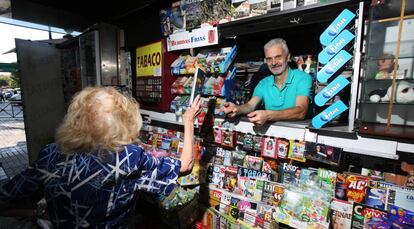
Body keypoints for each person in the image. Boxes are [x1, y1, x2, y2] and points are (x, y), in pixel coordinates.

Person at [0, 87, 202, 228]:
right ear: (125, 121)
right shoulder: (128, 156)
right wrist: (188, 121)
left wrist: (38, 212)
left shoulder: (50, 153)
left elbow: (6, 197)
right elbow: (185, 165)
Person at [224, 38, 312, 125]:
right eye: (269, 59)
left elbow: (301, 111)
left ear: (288, 57)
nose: (273, 63)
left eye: (278, 57)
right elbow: (250, 105)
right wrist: (237, 109)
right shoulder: (264, 83)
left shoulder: (302, 78)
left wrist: (268, 115)